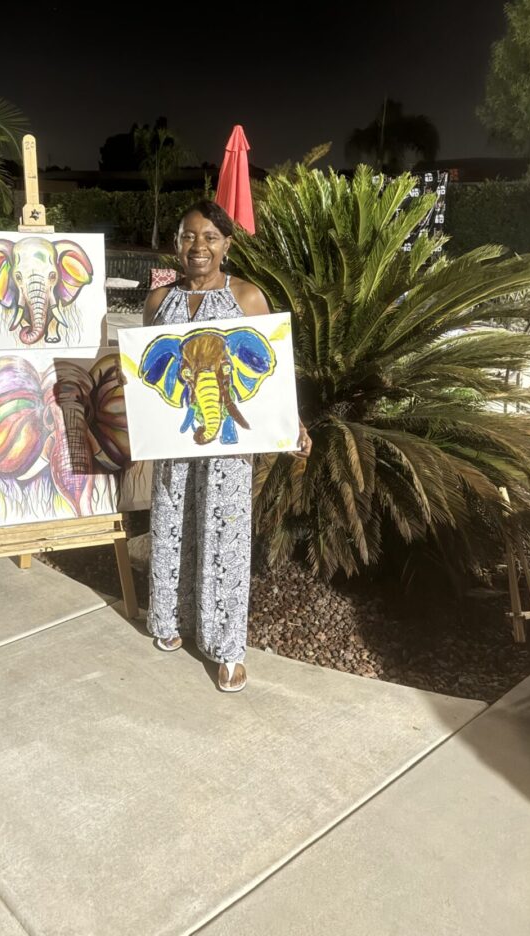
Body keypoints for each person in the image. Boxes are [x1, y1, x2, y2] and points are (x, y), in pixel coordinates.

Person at [141, 199, 311, 693]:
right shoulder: (159, 301)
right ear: (177, 243)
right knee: (173, 521)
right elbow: (145, 373)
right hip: (176, 437)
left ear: (227, 245)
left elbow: (277, 369)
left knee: (225, 531)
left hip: (230, 444)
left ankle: (228, 646)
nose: (199, 246)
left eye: (210, 238)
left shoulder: (247, 297)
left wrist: (291, 423)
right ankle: (171, 619)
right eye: (189, 236)